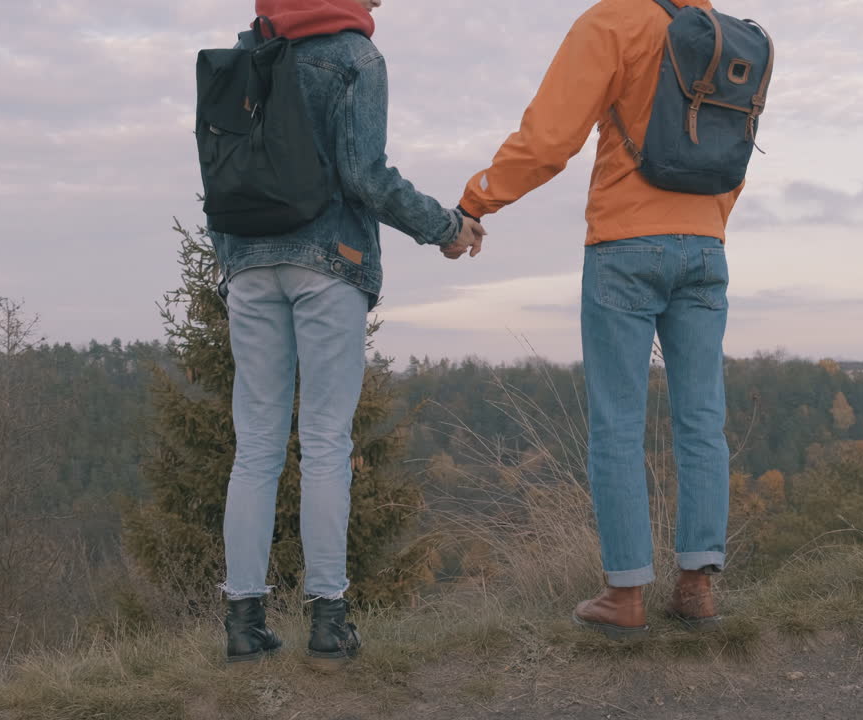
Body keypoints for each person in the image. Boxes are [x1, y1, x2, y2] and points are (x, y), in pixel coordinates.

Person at [211, 0, 486, 668]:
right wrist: (445, 227)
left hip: (248, 263)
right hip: (330, 260)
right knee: (327, 442)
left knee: (256, 446)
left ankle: (245, 624)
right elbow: (366, 176)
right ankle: (329, 621)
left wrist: (233, 265)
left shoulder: (249, 54)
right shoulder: (356, 58)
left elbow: (218, 169)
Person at [458, 0, 740, 637]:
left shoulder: (613, 21)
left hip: (624, 246)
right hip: (706, 245)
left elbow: (548, 141)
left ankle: (625, 595)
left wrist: (476, 201)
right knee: (702, 419)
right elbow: (731, 150)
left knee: (618, 422)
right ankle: (696, 588)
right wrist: (706, 226)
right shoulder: (723, 35)